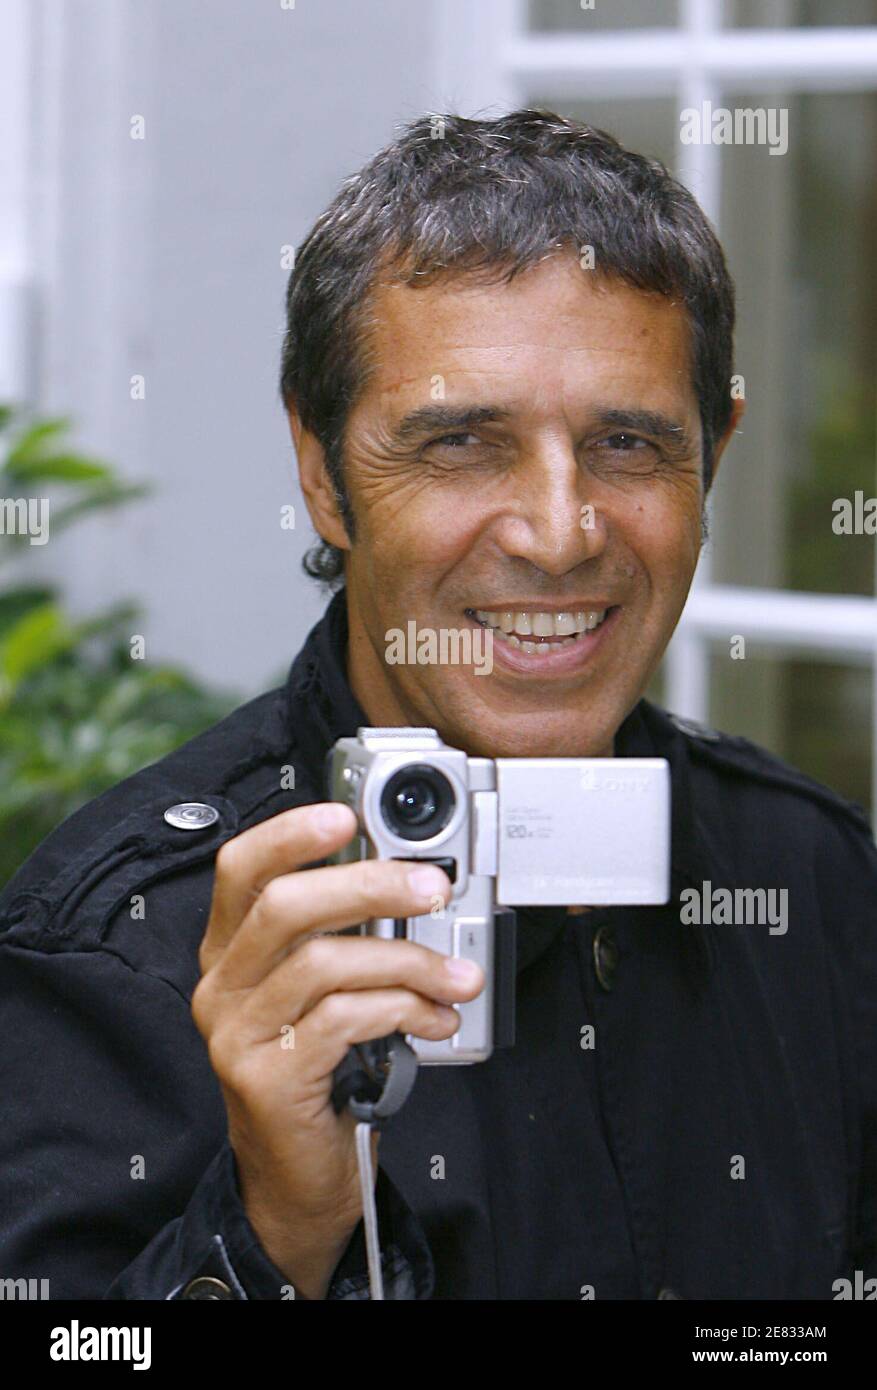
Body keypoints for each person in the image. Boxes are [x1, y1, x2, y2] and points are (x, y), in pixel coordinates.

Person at [0, 110, 874, 1301]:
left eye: (626, 443)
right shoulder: (124, 945)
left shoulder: (809, 878)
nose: (558, 535)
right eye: (462, 443)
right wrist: (270, 1227)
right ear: (322, 473)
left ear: (710, 457)